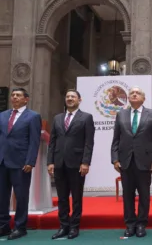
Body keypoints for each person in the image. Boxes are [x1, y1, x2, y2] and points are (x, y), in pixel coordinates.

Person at [111, 86, 152, 238]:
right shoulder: (121, 114)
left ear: (143, 98)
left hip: (145, 161)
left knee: (144, 195)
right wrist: (115, 159)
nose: (134, 94)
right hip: (126, 161)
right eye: (132, 93)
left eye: (137, 93)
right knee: (128, 195)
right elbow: (116, 139)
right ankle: (130, 224)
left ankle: (141, 224)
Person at [47, 89, 95, 239]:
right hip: (59, 162)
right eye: (67, 96)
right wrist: (50, 162)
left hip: (77, 163)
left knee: (76, 197)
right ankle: (63, 226)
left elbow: (89, 143)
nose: (69, 98)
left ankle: (74, 226)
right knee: (61, 197)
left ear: (79, 100)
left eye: (73, 96)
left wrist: (85, 162)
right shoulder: (57, 118)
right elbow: (52, 142)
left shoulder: (86, 118)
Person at [0, 88, 42, 240]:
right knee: (2, 196)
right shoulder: (2, 116)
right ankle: (3, 226)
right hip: (2, 161)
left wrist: (30, 161)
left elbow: (34, 141)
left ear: (26, 99)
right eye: (13, 95)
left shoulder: (33, 116)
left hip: (21, 163)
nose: (14, 97)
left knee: (21, 196)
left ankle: (20, 226)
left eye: (18, 95)